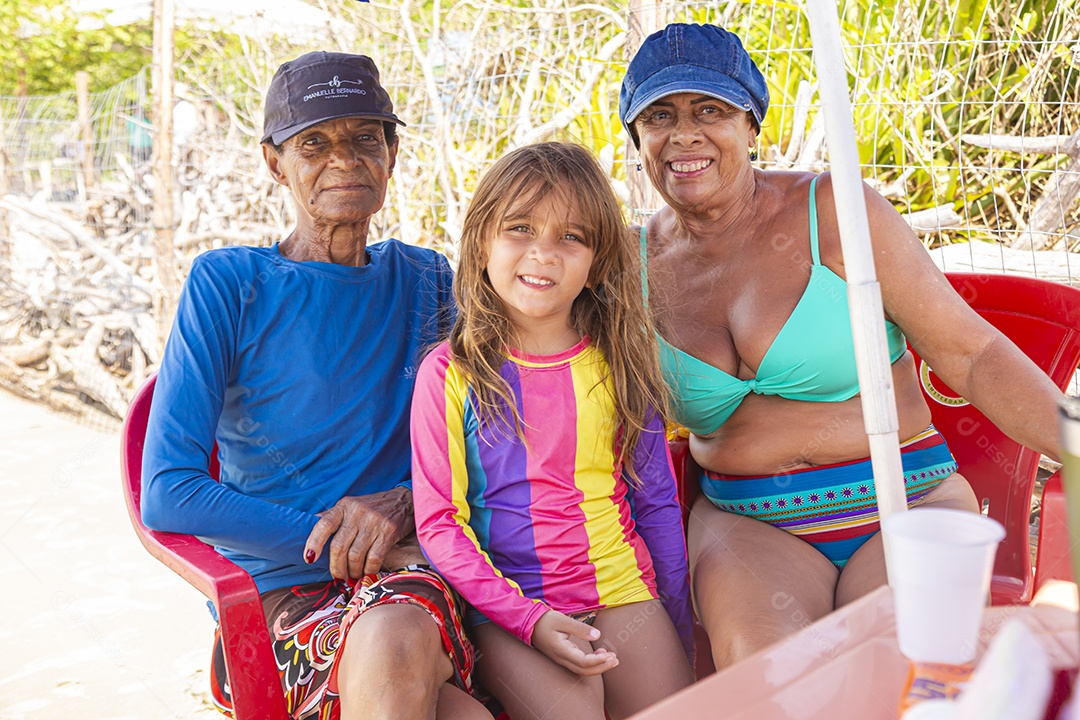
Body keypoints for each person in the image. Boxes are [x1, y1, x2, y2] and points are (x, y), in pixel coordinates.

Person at [618, 24, 1065, 671]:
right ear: (638, 139)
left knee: (892, 664)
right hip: (750, 523)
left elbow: (973, 356)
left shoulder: (836, 213)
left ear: (752, 126)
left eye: (709, 110)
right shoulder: (628, 268)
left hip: (902, 503)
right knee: (767, 676)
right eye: (659, 116)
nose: (684, 133)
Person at [141, 51, 487, 720]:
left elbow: (479, 436)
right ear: (275, 162)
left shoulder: (424, 281)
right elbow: (168, 491)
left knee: (396, 636)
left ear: (392, 152)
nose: (346, 159)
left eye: (366, 137)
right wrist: (333, 540)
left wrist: (406, 503)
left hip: (412, 571)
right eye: (315, 143)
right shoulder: (229, 285)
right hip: (283, 594)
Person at [410, 142, 695, 720]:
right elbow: (440, 525)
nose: (543, 253)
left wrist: (680, 625)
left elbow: (657, 502)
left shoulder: (620, 360)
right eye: (519, 228)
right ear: (482, 241)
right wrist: (530, 622)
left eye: (571, 237)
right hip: (510, 608)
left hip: (622, 592)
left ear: (596, 262)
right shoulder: (451, 372)